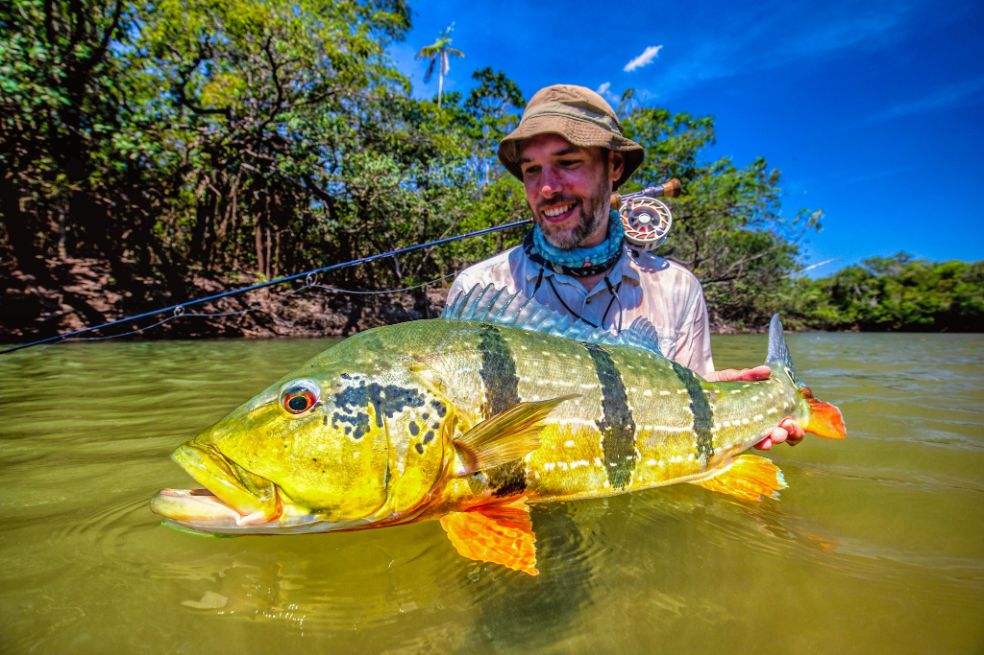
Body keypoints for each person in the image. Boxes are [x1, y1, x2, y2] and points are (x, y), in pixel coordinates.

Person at [448, 84, 803, 449]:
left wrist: (726, 397)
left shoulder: (678, 288)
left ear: (614, 166)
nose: (547, 188)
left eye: (568, 163)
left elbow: (693, 402)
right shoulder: (479, 288)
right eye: (532, 170)